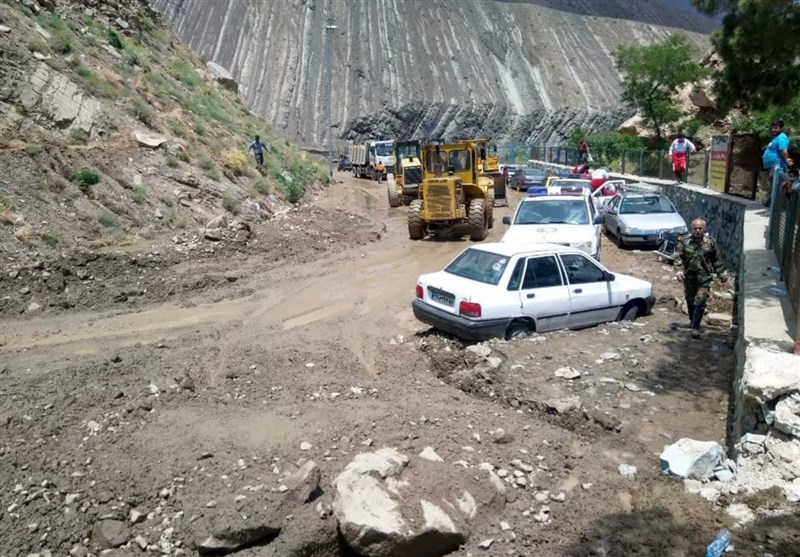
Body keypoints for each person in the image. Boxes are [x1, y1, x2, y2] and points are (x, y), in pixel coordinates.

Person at [674, 218, 729, 339]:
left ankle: (695, 327)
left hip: (704, 277)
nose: (698, 231)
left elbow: (716, 260)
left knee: (700, 301)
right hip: (689, 277)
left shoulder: (710, 243)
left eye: (700, 228)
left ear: (705, 229)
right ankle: (692, 321)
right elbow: (678, 257)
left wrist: (722, 275)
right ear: (691, 229)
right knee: (690, 300)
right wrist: (679, 271)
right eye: (695, 228)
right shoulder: (685, 242)